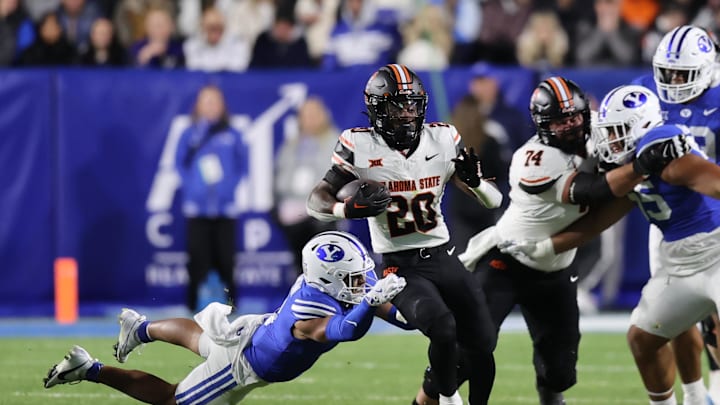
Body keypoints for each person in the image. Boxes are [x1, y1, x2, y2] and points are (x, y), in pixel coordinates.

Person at [415, 77, 681, 405]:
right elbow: (593, 191)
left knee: (561, 372)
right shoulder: (534, 159)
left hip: (555, 267)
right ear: (543, 125)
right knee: (465, 356)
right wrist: (642, 166)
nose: (570, 126)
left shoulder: (603, 129)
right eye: (560, 121)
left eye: (575, 117)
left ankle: (550, 395)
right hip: (507, 260)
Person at [498, 84, 720, 405]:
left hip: (714, 252)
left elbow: (702, 175)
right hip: (680, 264)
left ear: (640, 126)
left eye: (616, 131)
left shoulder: (660, 146)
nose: (609, 140)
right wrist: (549, 247)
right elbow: (606, 216)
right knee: (643, 339)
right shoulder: (635, 164)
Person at [307, 63, 503, 405]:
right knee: (441, 327)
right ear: (379, 108)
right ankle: (447, 398)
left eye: (413, 104)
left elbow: (494, 201)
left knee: (483, 343)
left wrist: (475, 183)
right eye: (399, 105)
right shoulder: (359, 144)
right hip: (400, 266)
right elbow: (316, 199)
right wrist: (346, 210)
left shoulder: (442, 138)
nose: (408, 113)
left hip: (443, 255)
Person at [43, 231, 410, 404]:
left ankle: (141, 327)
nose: (363, 283)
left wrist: (415, 315)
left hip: (256, 333)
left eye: (363, 276)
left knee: (201, 340)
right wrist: (370, 303)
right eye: (355, 279)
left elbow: (393, 312)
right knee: (174, 401)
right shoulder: (311, 310)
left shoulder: (339, 283)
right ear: (329, 278)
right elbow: (344, 330)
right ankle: (88, 368)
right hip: (243, 365)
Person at [632, 24, 720, 404]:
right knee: (676, 315)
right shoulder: (646, 92)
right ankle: (694, 393)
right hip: (670, 223)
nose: (672, 81)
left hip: (714, 216)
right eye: (666, 73)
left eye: (681, 74)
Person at [175, 85, 247, 312]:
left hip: (225, 210)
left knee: (227, 260)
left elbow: (242, 166)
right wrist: (194, 189)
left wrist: (228, 189)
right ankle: (190, 308)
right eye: (206, 101)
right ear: (198, 105)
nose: (210, 106)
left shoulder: (232, 135)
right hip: (197, 210)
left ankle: (233, 308)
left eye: (215, 101)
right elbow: (180, 164)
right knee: (197, 260)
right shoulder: (189, 134)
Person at [274, 97, 341, 275]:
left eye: (314, 114)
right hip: (293, 211)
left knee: (322, 264)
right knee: (301, 264)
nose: (310, 119)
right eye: (306, 115)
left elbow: (339, 176)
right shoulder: (291, 145)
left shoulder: (335, 142)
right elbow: (280, 177)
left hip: (320, 209)